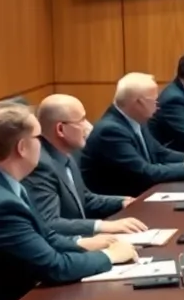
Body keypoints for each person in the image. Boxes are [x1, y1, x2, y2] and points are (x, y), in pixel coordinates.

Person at [0, 103, 137, 300]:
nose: (42, 145)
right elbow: (55, 267)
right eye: (38, 137)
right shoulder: (0, 205)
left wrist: (79, 244)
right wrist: (109, 256)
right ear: (22, 147)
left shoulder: (4, 182)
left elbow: (46, 236)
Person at [25, 95, 147, 239]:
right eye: (81, 120)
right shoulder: (41, 166)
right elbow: (49, 223)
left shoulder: (66, 154)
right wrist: (102, 226)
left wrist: (123, 202)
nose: (88, 126)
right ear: (60, 129)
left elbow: (85, 199)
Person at [81, 74, 184, 197]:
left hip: (143, 195)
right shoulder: (110, 131)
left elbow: (158, 152)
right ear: (139, 102)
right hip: (120, 208)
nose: (158, 106)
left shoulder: (135, 120)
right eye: (154, 101)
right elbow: (144, 172)